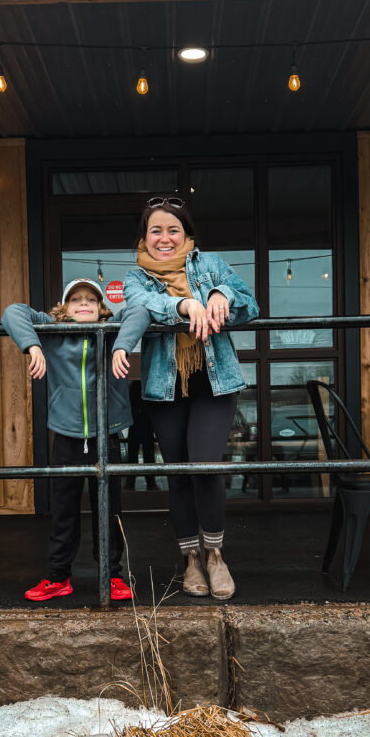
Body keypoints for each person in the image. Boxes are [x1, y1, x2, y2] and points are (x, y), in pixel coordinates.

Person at [123, 197, 259, 600]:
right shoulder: (135, 277)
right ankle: (190, 560)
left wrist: (221, 295)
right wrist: (183, 304)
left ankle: (215, 556)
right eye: (155, 230)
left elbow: (249, 304)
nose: (164, 238)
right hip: (164, 388)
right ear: (145, 237)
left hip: (214, 384)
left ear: (186, 235)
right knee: (179, 474)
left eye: (173, 230)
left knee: (204, 467)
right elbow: (142, 304)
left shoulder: (211, 263)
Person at [2, 279, 150, 602]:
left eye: (91, 300)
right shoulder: (54, 331)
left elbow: (140, 310)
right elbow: (12, 312)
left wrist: (122, 345)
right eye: (76, 299)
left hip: (106, 436)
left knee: (109, 511)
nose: (84, 304)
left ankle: (112, 576)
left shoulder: (111, 330)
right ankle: (58, 577)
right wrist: (33, 345)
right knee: (63, 512)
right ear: (65, 308)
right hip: (66, 438)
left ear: (100, 309)